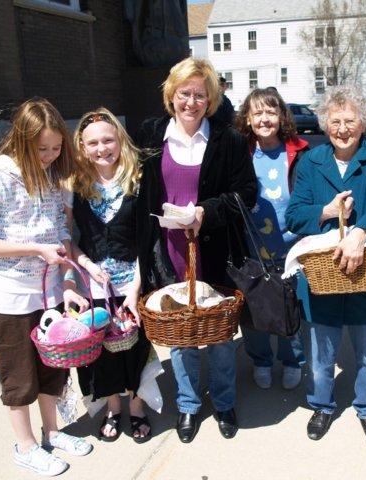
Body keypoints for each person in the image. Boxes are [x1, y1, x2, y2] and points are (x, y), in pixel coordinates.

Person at [0, 98, 93, 476]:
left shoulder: (52, 179)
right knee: (18, 376)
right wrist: (34, 248)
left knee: (52, 370)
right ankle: (26, 446)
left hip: (50, 292)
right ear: (21, 141)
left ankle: (52, 432)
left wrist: (71, 280)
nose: (51, 156)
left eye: (56, 149)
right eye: (42, 149)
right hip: (11, 298)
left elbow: (62, 235)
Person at [285, 85, 366, 448]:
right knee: (321, 355)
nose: (343, 128)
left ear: (363, 123)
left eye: (350, 120)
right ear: (325, 125)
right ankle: (322, 406)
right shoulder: (311, 161)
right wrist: (326, 211)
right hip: (323, 277)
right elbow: (295, 215)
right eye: (335, 121)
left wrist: (360, 233)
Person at [136, 58, 257, 443]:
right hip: (168, 250)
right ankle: (188, 404)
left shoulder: (229, 140)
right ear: (172, 95)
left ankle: (223, 401)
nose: (191, 101)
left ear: (211, 100)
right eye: (184, 93)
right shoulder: (152, 136)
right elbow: (138, 193)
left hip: (216, 249)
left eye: (200, 95)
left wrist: (208, 211)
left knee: (219, 333)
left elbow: (247, 195)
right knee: (179, 332)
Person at [70, 107, 152, 443]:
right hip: (94, 288)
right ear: (83, 147)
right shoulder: (77, 186)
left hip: (132, 282)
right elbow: (69, 240)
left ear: (120, 140)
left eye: (108, 140)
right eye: (93, 143)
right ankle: (112, 406)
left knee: (135, 347)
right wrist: (87, 266)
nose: (102, 148)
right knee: (101, 353)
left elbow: (148, 240)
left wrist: (135, 288)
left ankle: (137, 407)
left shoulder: (139, 180)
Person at [234, 88, 309, 390]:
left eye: (271, 112)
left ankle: (293, 361)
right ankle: (261, 360)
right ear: (248, 118)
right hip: (251, 248)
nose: (264, 119)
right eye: (258, 113)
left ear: (281, 116)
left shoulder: (299, 151)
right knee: (255, 309)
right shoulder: (241, 151)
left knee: (291, 308)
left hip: (291, 248)